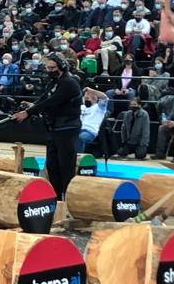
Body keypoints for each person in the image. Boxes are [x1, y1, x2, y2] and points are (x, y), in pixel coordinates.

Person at [11, 54, 83, 199]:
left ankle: (67, 199)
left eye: (52, 68)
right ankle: (55, 197)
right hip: (54, 128)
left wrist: (28, 113)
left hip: (67, 129)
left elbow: (53, 101)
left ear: (62, 66)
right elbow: (45, 98)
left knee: (66, 167)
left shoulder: (69, 82)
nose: (49, 71)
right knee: (52, 166)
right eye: (48, 68)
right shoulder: (54, 82)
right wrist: (32, 106)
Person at [77, 87, 109, 153]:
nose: (86, 99)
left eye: (88, 98)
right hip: (77, 129)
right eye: (85, 98)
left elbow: (104, 97)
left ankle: (77, 157)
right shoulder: (81, 107)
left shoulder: (99, 108)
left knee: (79, 138)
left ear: (95, 98)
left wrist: (91, 90)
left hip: (89, 132)